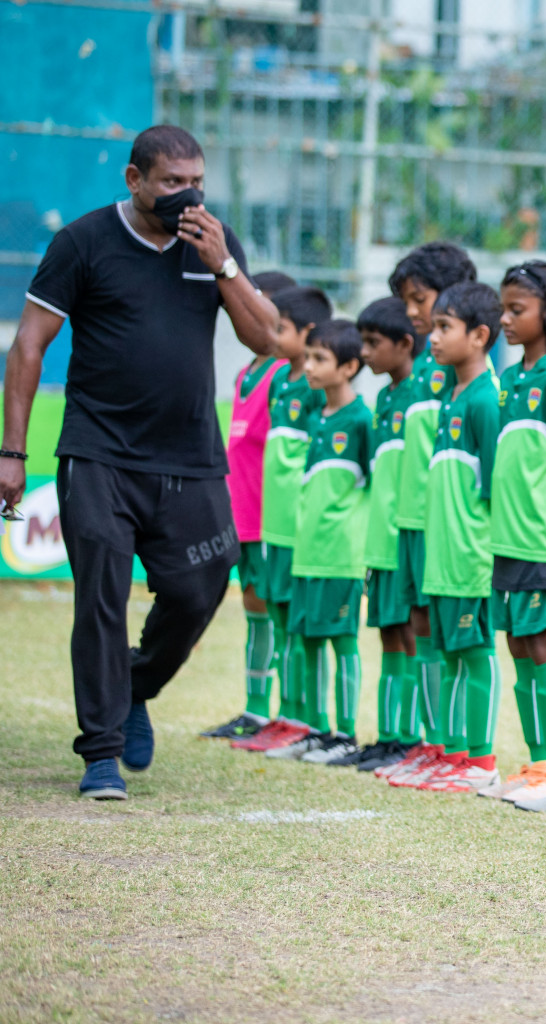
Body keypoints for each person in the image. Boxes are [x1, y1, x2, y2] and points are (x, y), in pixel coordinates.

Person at [2, 126, 277, 799]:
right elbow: (29, 348)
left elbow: (266, 336)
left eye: (197, 182)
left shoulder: (213, 240)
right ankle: (100, 755)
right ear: (134, 180)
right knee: (101, 595)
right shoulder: (83, 242)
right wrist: (13, 452)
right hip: (97, 455)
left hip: (189, 458)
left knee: (203, 582)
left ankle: (134, 686)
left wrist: (224, 264)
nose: (187, 195)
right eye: (172, 183)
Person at [389, 282, 505, 794]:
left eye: (443, 327)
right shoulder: (448, 398)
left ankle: (480, 762)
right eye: (432, 326)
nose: (432, 337)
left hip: (471, 559)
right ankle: (451, 752)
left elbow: (496, 489)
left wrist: (486, 553)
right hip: (441, 557)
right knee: (450, 654)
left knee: (475, 653)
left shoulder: (485, 399)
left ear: (479, 336)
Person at [478, 262, 546, 808]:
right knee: (518, 644)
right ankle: (540, 760)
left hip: (543, 539)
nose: (505, 320)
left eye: (517, 310)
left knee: (543, 642)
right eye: (504, 309)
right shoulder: (511, 379)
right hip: (505, 539)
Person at [379, 243, 479, 783]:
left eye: (420, 300)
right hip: (412, 521)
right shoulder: (421, 373)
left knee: (451, 633)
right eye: (409, 303)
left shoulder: (468, 376)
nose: (414, 314)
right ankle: (430, 740)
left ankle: (459, 746)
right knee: (420, 627)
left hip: (449, 525)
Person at [265, 319, 371, 763]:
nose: (308, 366)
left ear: (348, 367)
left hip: (341, 555)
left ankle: (344, 735)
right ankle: (314, 728)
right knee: (306, 638)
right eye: (307, 356)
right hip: (307, 551)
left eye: (319, 359)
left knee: (341, 641)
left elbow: (373, 486)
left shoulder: (363, 420)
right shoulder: (316, 418)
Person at [231, 286, 332, 754]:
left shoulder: (306, 386)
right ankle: (273, 712)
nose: (268, 334)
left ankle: (313, 720)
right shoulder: (277, 381)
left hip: (296, 524)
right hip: (261, 519)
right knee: (268, 612)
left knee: (299, 623)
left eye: (278, 326)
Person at [202, 269, 294, 741]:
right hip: (242, 518)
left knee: (277, 610)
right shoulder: (245, 373)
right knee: (254, 610)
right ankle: (255, 709)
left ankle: (286, 712)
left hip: (272, 518)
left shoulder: (284, 376)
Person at [345, 297, 423, 772]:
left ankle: (412, 738)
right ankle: (391, 734)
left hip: (405, 535)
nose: (366, 353)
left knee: (411, 635)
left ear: (405, 344)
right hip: (379, 538)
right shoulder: (384, 399)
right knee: (389, 635)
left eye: (374, 344)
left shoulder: (420, 394)